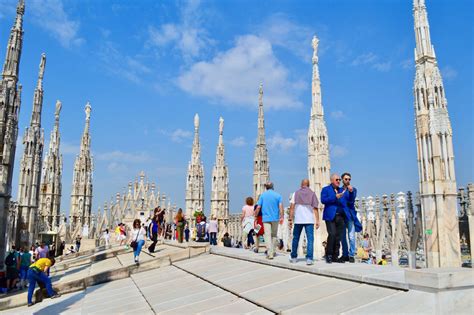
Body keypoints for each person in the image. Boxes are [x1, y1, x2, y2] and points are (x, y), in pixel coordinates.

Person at [289, 179, 320, 265]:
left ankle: (294, 257)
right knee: (310, 239)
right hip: (309, 220)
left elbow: (291, 207)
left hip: (298, 220)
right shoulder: (312, 194)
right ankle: (309, 258)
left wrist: (290, 219)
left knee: (296, 238)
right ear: (309, 185)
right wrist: (317, 220)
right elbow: (315, 208)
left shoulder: (296, 193)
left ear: (301, 184)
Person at [321, 174, 347, 264]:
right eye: (337, 179)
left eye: (339, 179)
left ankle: (335, 256)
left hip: (340, 216)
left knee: (338, 236)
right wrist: (335, 197)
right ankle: (329, 255)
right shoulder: (326, 189)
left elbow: (347, 201)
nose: (339, 181)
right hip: (330, 216)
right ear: (332, 180)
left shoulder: (341, 190)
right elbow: (323, 200)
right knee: (332, 234)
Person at [255, 182, 284, 260]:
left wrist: (255, 215)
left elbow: (258, 207)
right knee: (274, 235)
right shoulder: (278, 195)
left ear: (266, 187)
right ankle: (273, 251)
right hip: (275, 218)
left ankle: (269, 253)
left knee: (267, 235)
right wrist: (282, 216)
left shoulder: (263, 196)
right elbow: (281, 207)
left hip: (266, 218)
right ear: (272, 187)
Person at [339, 172, 360, 263]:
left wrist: (351, 192)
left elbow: (351, 201)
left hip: (350, 215)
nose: (348, 181)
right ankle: (345, 254)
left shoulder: (353, 189)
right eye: (346, 179)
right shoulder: (339, 190)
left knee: (351, 236)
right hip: (341, 215)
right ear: (342, 180)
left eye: (349, 179)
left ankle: (351, 255)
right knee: (342, 236)